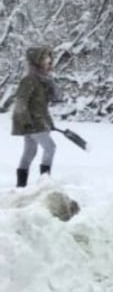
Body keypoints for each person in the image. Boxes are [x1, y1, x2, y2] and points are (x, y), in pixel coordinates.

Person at [11, 46, 59, 187]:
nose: (48, 60)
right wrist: (26, 122)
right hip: (32, 122)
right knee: (50, 147)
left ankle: (21, 186)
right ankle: (45, 182)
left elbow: (42, 107)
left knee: (29, 153)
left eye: (49, 57)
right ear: (36, 61)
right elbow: (21, 101)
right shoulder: (29, 80)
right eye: (44, 58)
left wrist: (50, 123)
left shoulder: (42, 80)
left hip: (38, 121)